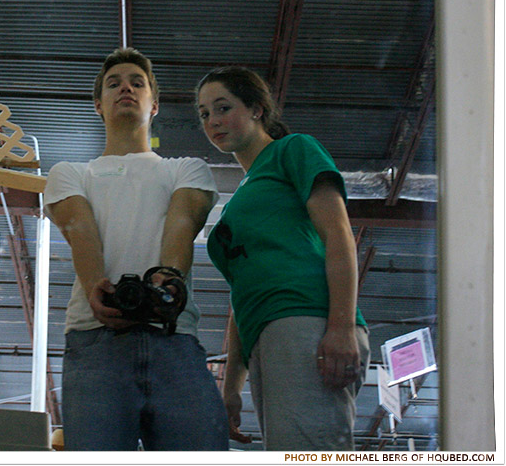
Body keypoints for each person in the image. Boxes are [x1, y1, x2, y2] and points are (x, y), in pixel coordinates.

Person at [43, 47, 229, 451]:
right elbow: (80, 229)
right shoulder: (70, 173)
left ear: (154, 104)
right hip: (95, 340)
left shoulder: (186, 168)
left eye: (137, 83)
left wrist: (169, 279)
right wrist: (99, 290)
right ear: (98, 104)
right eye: (114, 84)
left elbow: (183, 222)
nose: (125, 87)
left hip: (174, 335)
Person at [195, 66, 369, 450]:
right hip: (267, 337)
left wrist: (340, 326)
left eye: (223, 107)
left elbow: (339, 233)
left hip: (307, 321)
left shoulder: (293, 150)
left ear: (258, 109)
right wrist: (230, 388)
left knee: (309, 452)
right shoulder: (240, 198)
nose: (213, 121)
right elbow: (242, 295)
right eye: (205, 114)